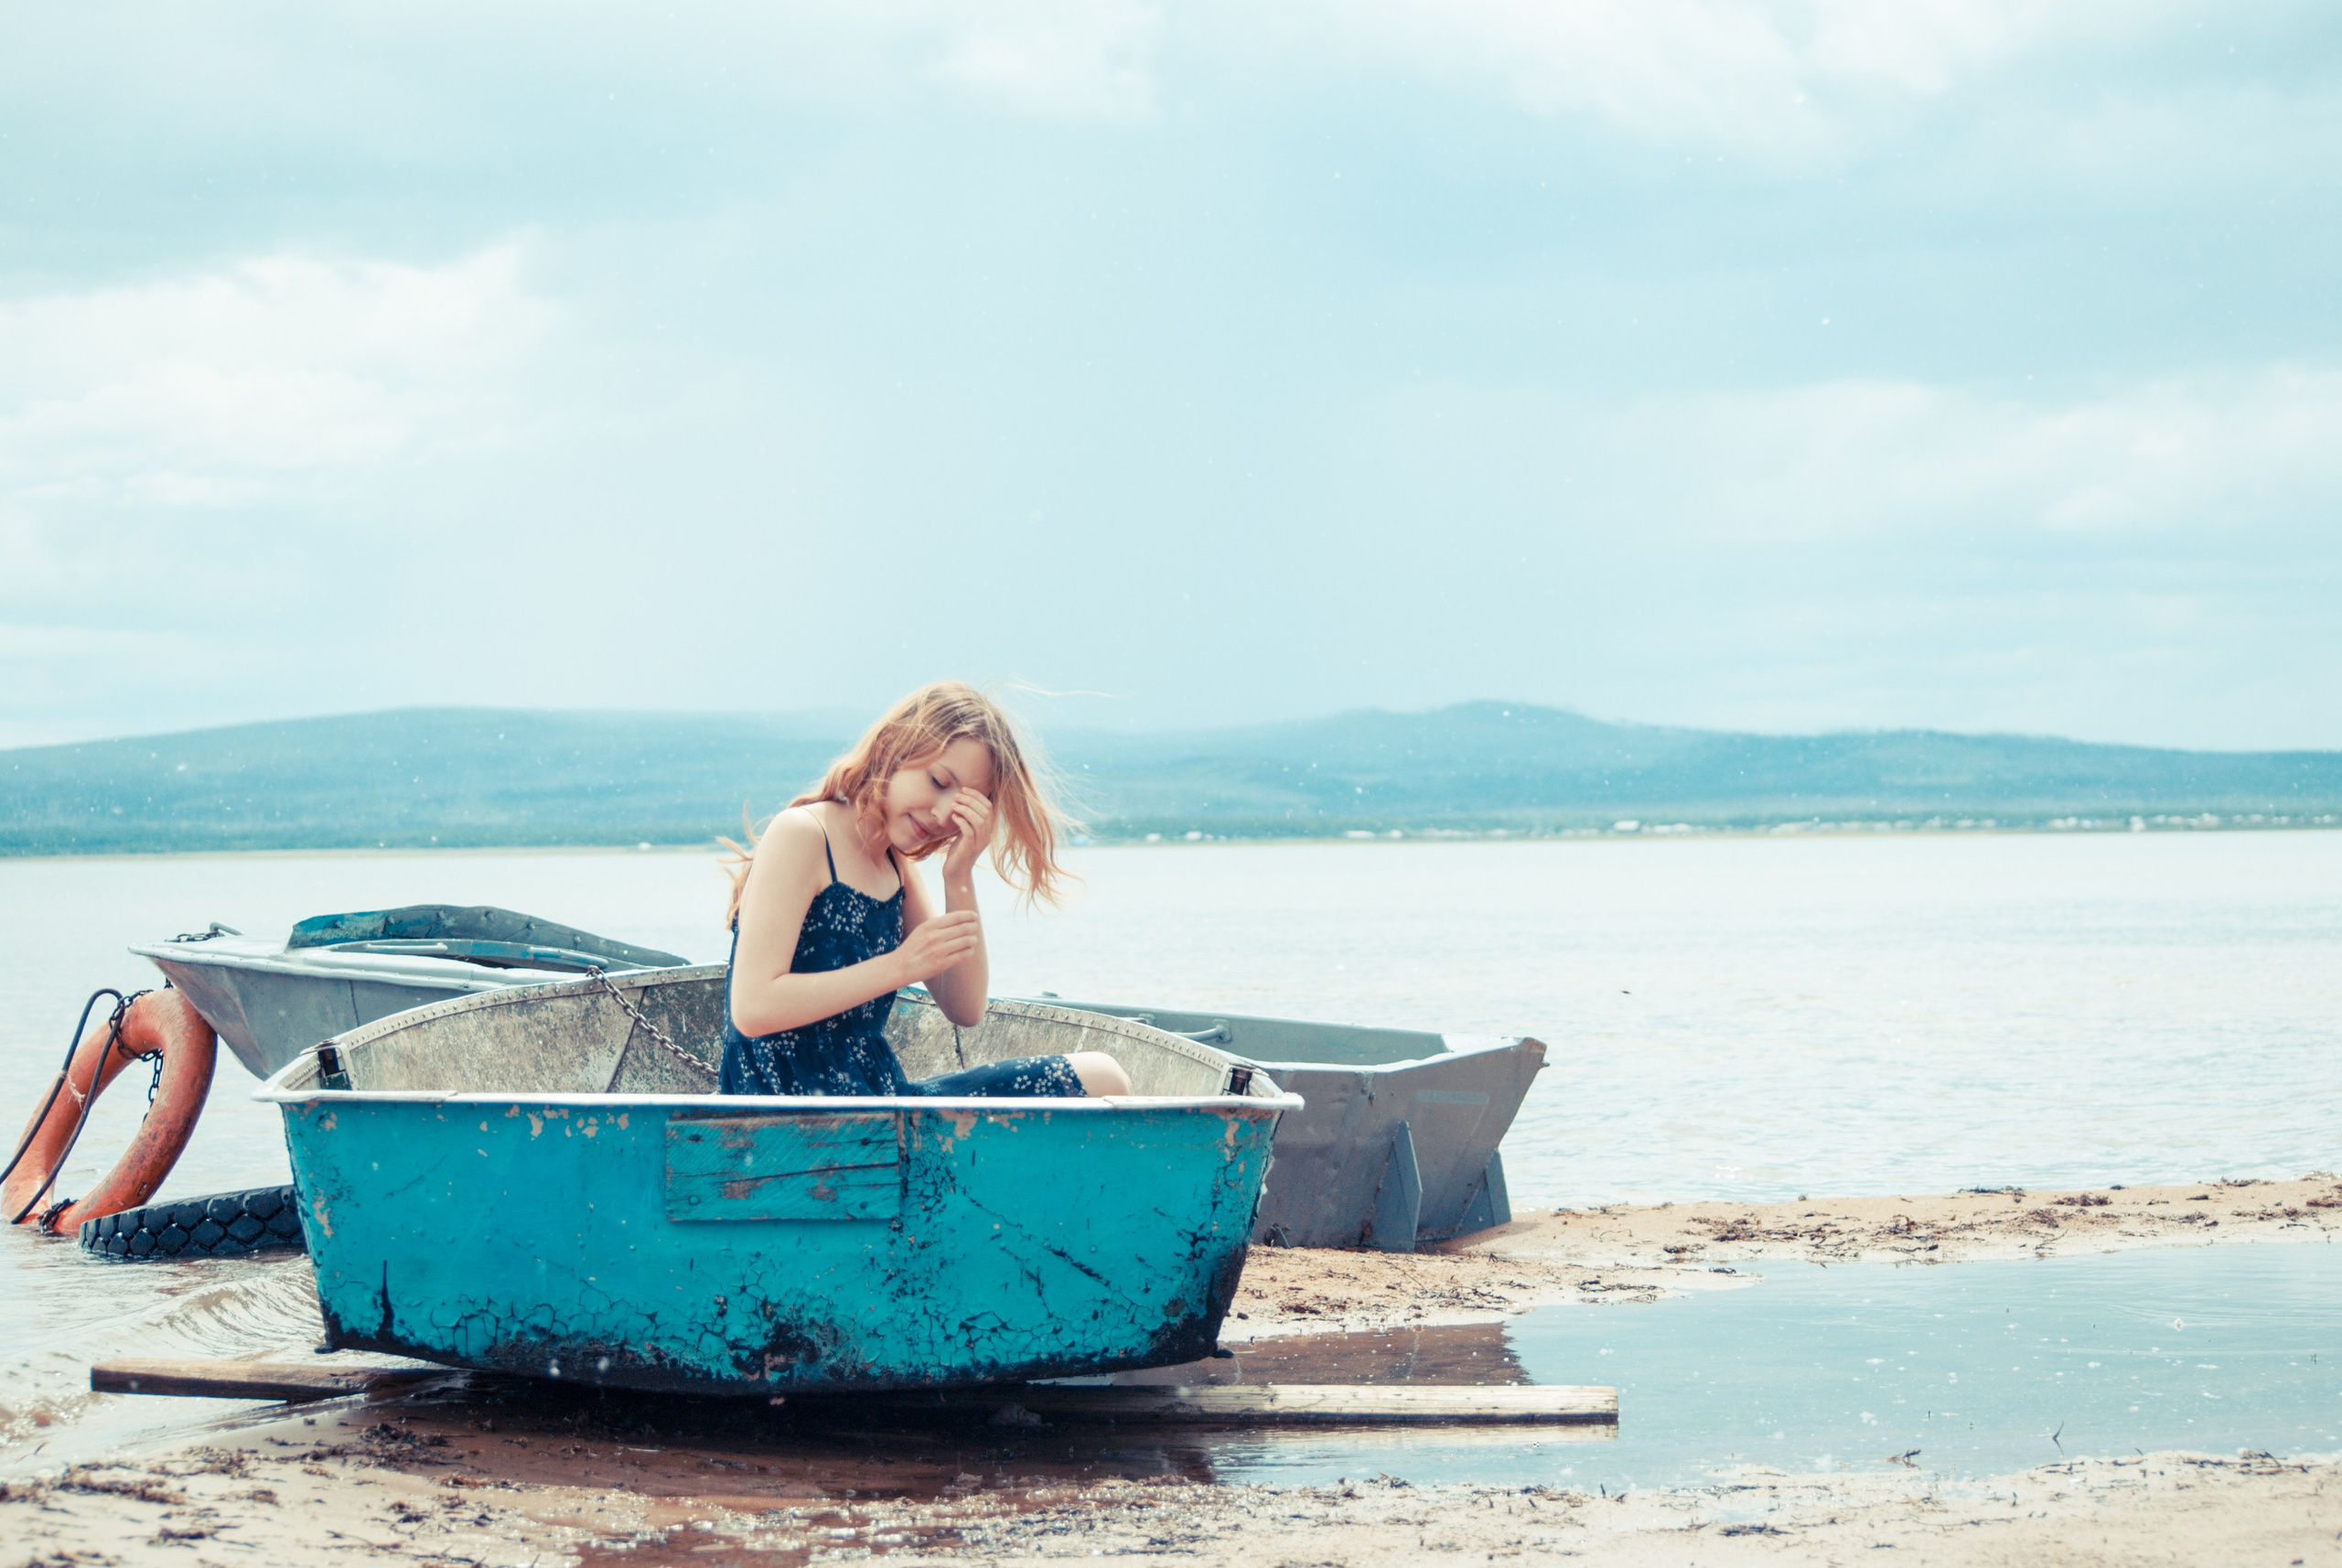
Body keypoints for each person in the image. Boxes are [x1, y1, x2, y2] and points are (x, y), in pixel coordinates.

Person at [716, 682, 1131, 1099]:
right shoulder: (803, 834)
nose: (943, 814)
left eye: (965, 804)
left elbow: (965, 1007)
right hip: (785, 1105)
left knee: (1104, 1077)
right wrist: (900, 966)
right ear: (891, 748)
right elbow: (753, 1007)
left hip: (880, 1099)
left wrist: (959, 875)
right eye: (938, 781)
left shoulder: (896, 865)